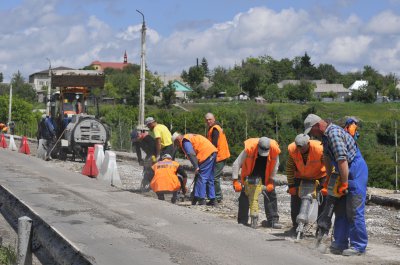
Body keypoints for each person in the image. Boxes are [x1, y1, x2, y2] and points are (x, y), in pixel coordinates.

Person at [304, 114, 368, 256]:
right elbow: (327, 157)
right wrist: (327, 180)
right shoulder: (325, 137)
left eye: (312, 131)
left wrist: (344, 183)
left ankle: (358, 246)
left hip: (355, 170)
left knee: (354, 210)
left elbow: (342, 159)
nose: (312, 135)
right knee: (340, 209)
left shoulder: (334, 134)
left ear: (318, 126)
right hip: (342, 171)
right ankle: (340, 243)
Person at [232, 136, 282, 228]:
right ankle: (242, 221)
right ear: (258, 146)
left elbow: (276, 166)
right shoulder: (249, 148)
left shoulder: (274, 150)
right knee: (245, 195)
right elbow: (236, 163)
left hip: (265, 175)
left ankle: (273, 221)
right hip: (250, 174)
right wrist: (235, 181)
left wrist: (271, 180)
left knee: (271, 194)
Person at [286, 133, 326, 234]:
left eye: (302, 147)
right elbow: (290, 168)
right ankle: (296, 226)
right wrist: (291, 185)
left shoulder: (319, 149)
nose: (300, 150)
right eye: (298, 147)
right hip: (300, 175)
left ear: (308, 143)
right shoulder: (292, 150)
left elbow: (329, 166)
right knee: (295, 198)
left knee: (324, 200)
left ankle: (321, 229)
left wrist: (326, 186)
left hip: (320, 175)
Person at [172, 132, 217, 206]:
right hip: (212, 152)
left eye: (176, 144)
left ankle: (201, 199)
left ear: (177, 140)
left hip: (206, 155)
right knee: (210, 178)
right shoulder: (189, 136)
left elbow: (191, 153)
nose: (178, 146)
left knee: (201, 177)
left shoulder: (185, 141)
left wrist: (196, 167)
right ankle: (212, 200)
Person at [205, 113, 230, 203]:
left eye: (210, 119)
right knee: (214, 177)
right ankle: (217, 195)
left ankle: (218, 196)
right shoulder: (215, 127)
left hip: (220, 156)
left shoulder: (215, 129)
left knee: (214, 177)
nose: (208, 121)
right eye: (207, 120)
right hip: (220, 155)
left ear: (214, 119)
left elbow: (213, 145)